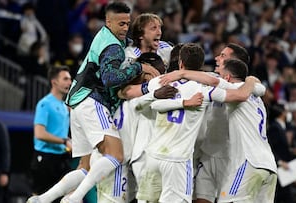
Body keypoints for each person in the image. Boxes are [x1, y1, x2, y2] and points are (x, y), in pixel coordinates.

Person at [40, 2, 160, 203]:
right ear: (108, 21)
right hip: (91, 101)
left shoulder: (106, 36)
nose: (124, 28)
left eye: (127, 24)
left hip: (77, 104)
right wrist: (138, 68)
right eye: (120, 24)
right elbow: (110, 78)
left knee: (85, 167)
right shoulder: (113, 47)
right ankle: (75, 198)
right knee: (115, 155)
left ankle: (43, 199)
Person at [136, 43, 259, 202]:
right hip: (194, 155)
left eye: (222, 56)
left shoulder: (170, 82)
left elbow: (143, 104)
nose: (216, 58)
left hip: (227, 155)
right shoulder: (205, 86)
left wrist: (250, 81)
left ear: (235, 63)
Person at [28, 66, 72, 203]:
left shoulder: (65, 105)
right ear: (54, 82)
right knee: (41, 199)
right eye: (65, 79)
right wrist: (64, 141)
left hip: (61, 159)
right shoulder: (45, 104)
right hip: (45, 160)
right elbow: (39, 133)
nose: (69, 83)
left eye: (70, 79)